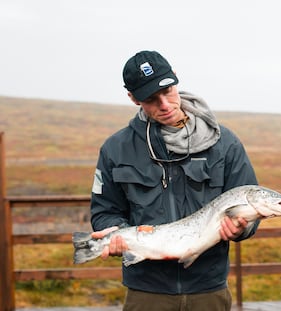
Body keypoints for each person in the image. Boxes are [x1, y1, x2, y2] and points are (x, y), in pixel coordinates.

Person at [90, 50, 258, 311]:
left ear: (175, 79)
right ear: (133, 99)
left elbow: (249, 206)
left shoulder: (225, 144)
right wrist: (115, 232)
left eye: (167, 91)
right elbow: (105, 212)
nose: (165, 105)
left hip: (208, 289)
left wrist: (242, 228)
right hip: (146, 291)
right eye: (151, 98)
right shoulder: (115, 149)